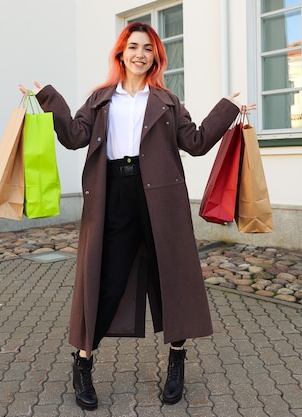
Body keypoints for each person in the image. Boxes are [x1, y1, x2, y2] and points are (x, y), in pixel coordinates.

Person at [19, 21, 255, 411]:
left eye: (148, 48)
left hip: (161, 199)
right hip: (113, 197)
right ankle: (83, 364)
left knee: (170, 279)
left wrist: (227, 110)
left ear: (156, 56)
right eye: (133, 47)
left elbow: (195, 143)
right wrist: (47, 97)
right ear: (121, 53)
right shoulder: (100, 99)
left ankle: (176, 362)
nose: (140, 54)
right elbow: (74, 137)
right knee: (105, 280)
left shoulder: (166, 100)